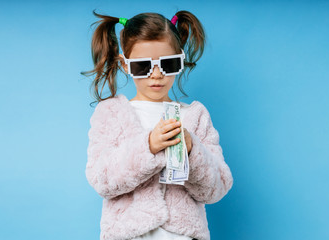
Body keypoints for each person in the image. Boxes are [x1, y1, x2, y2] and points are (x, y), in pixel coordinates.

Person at [83, 10, 233, 240]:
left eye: (168, 63)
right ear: (125, 64)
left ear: (180, 60)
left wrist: (193, 151)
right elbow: (102, 180)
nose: (156, 75)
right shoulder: (111, 113)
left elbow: (217, 188)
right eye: (143, 66)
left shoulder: (195, 115)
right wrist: (148, 146)